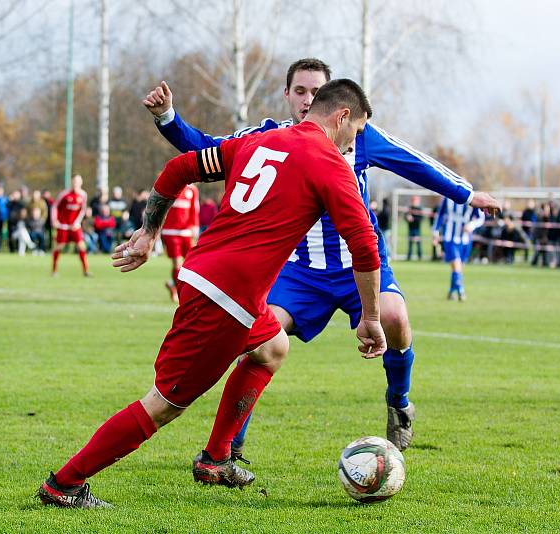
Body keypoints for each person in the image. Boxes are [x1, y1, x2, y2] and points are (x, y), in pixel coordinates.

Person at [37, 78, 385, 508]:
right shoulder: (331, 164)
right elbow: (365, 245)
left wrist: (150, 230)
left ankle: (216, 458)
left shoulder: (259, 142)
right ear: (342, 116)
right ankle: (64, 484)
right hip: (226, 298)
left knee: (272, 347)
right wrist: (370, 318)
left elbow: (179, 168)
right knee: (164, 403)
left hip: (208, 274)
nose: (355, 141)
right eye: (356, 131)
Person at [144, 58, 500, 455]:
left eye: (315, 92)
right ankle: (228, 444)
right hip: (298, 272)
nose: (306, 99)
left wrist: (467, 194)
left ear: (334, 101)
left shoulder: (359, 136)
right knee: (256, 340)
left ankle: (399, 403)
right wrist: (168, 118)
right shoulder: (268, 135)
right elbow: (208, 149)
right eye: (299, 91)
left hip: (358, 267)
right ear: (287, 95)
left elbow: (413, 162)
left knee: (396, 319)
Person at [432, 197, 485, 300]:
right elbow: (440, 215)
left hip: (465, 239)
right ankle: (461, 291)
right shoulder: (447, 198)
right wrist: (435, 232)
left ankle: (451, 291)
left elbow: (480, 218)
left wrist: (471, 225)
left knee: (459, 268)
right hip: (450, 238)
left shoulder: (470, 198)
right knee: (456, 266)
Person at [160, 183, 199, 302]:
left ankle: (173, 284)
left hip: (186, 232)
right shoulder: (172, 184)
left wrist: (195, 227)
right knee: (177, 263)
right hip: (171, 232)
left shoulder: (192, 190)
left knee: (191, 264)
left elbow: (194, 210)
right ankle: (180, 293)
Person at [51, 174, 90, 276]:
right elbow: (55, 207)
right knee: (59, 247)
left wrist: (77, 222)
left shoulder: (83, 195)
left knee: (82, 246)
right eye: (74, 181)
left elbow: (82, 210)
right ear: (71, 182)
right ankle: (54, 270)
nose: (76, 183)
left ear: (81, 182)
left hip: (75, 226)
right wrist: (54, 220)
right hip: (63, 226)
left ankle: (86, 271)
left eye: (78, 181)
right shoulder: (64, 194)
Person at [404, 196, 423, 261]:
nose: (414, 201)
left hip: (417, 228)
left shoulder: (419, 208)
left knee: (418, 243)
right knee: (410, 243)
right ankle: (409, 256)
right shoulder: (409, 208)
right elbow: (405, 216)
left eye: (415, 200)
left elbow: (421, 218)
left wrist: (413, 219)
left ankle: (420, 256)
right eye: (413, 200)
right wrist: (407, 218)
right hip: (410, 228)